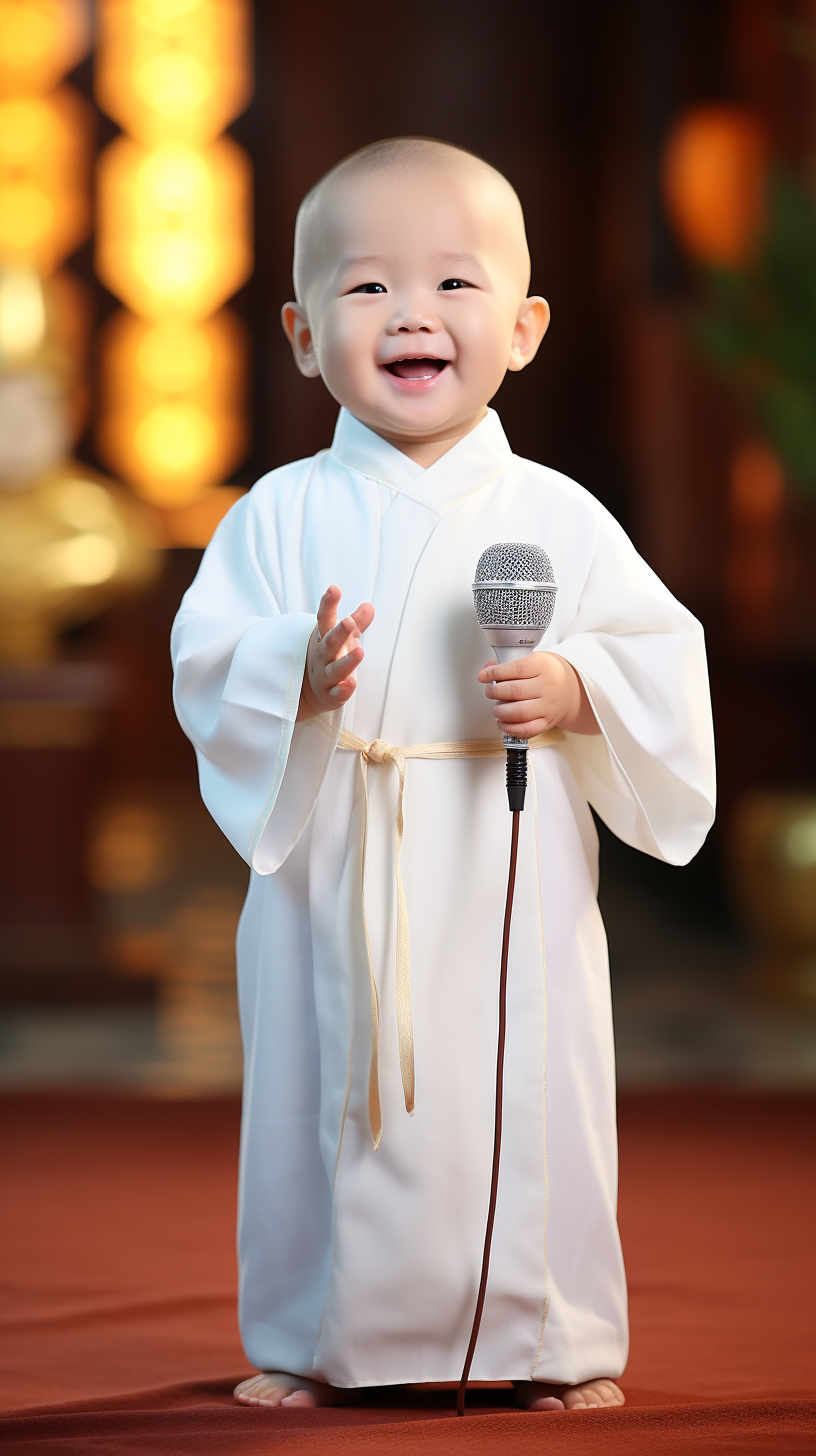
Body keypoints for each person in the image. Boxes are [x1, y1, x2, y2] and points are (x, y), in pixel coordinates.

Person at [171, 137, 716, 1413]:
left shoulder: (563, 515)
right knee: (322, 1089)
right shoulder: (277, 513)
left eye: (455, 286)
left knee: (537, 1094)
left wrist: (579, 687)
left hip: (507, 861)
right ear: (304, 335)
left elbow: (659, 658)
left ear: (524, 326)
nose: (413, 314)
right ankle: (310, 1334)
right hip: (337, 862)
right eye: (368, 290)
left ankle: (555, 1335)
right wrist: (291, 676)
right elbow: (206, 655)